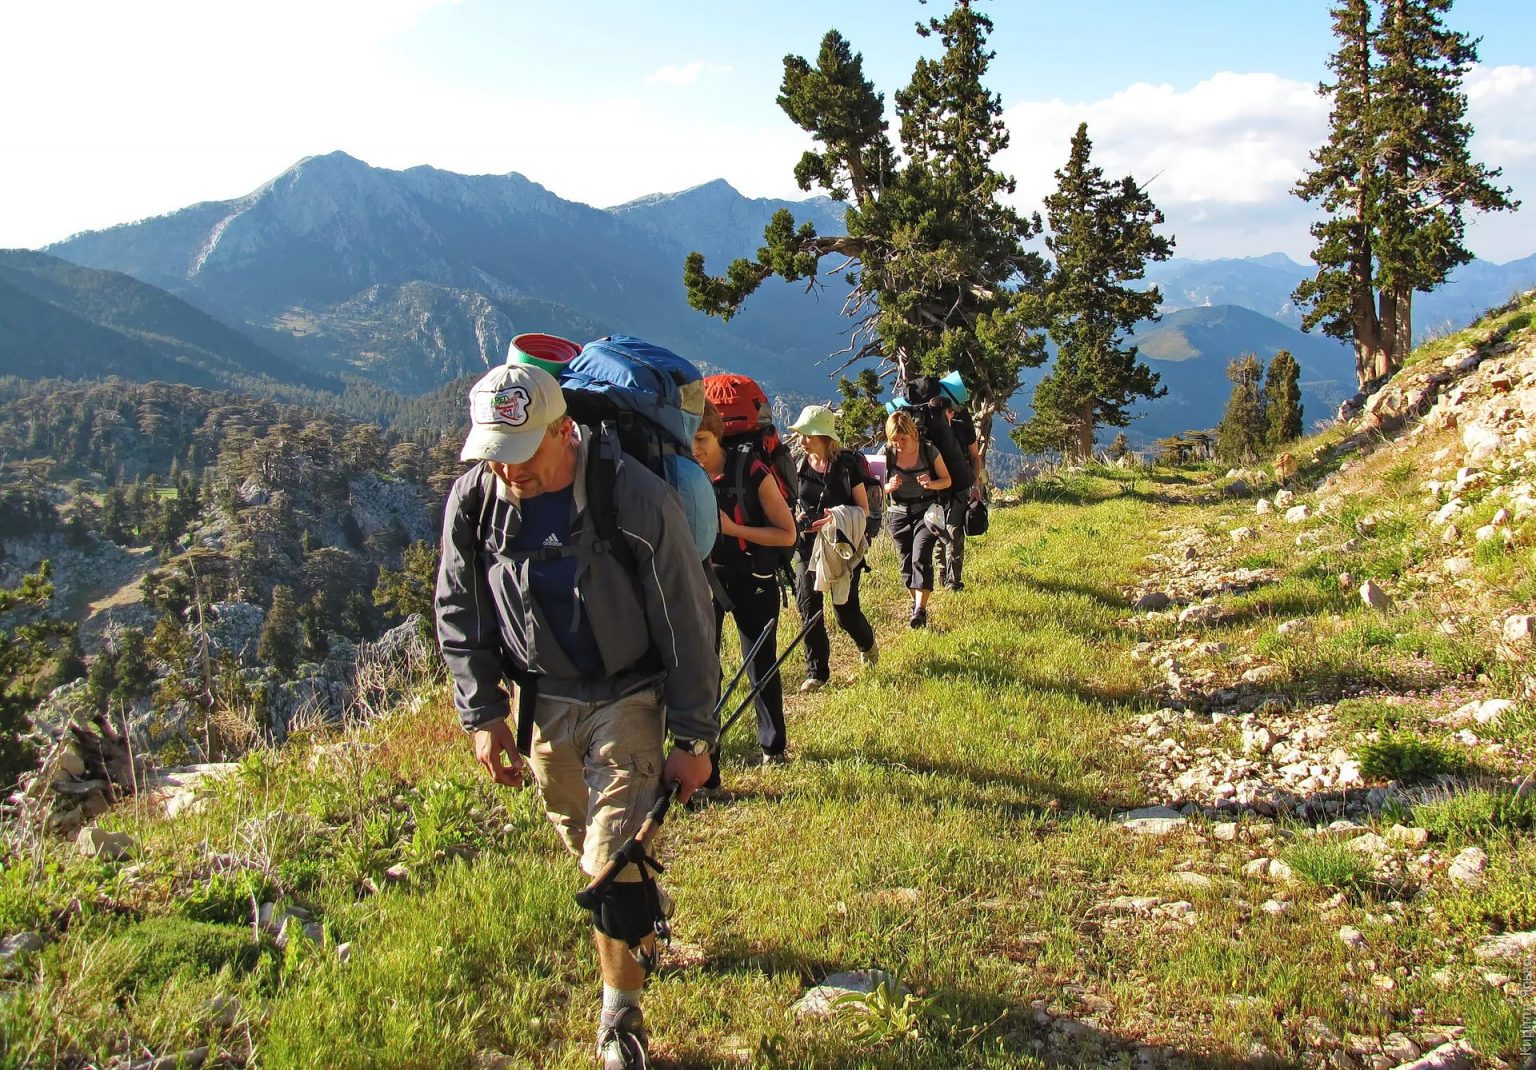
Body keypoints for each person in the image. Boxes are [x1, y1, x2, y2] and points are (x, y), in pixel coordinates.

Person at [434, 363, 719, 1070]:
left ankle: (620, 1020)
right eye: (493, 454)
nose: (508, 471)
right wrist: (483, 713)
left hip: (628, 698)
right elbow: (459, 609)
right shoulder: (476, 501)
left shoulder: (635, 497)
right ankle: (643, 914)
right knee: (581, 837)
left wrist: (694, 736)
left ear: (564, 431)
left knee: (607, 864)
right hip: (543, 704)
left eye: (521, 451)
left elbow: (687, 619)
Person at [692, 402, 797, 765]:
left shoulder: (751, 470)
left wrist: (735, 529)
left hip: (753, 576)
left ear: (717, 435)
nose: (695, 448)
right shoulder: (685, 474)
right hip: (704, 578)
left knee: (760, 662)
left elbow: (787, 534)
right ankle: (707, 765)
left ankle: (773, 748)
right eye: (689, 439)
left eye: (702, 439)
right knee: (705, 671)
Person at [787, 405, 879, 692]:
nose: (802, 441)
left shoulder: (847, 467)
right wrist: (796, 519)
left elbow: (863, 509)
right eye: (801, 435)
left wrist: (834, 517)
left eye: (808, 435)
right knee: (809, 608)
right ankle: (817, 673)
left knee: (845, 612)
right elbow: (789, 502)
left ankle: (868, 646)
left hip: (841, 547)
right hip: (807, 547)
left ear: (825, 438)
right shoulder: (798, 465)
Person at [883, 408, 951, 628]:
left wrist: (930, 484)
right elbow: (873, 487)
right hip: (898, 513)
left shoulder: (929, 451)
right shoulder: (887, 453)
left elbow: (947, 480)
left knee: (920, 556)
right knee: (905, 563)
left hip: (926, 512)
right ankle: (916, 605)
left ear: (912, 433)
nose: (899, 444)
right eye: (894, 440)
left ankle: (920, 610)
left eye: (903, 439)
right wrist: (888, 487)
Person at [929, 393, 983, 591]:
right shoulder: (928, 431)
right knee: (938, 531)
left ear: (951, 413)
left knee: (955, 533)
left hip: (959, 488)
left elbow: (974, 457)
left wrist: (974, 485)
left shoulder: (962, 428)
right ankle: (943, 572)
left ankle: (954, 580)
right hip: (935, 490)